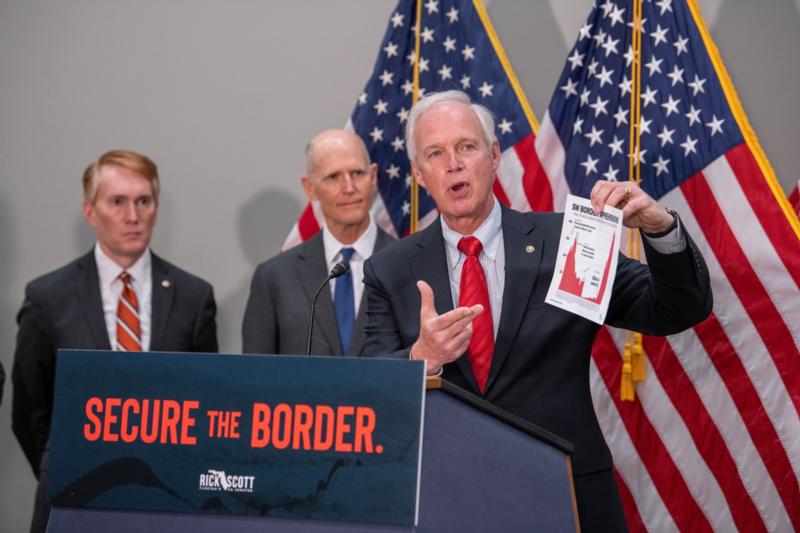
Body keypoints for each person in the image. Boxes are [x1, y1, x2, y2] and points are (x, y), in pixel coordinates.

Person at [362, 91, 712, 531]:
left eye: (466, 147)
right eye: (435, 153)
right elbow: (368, 389)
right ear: (419, 174)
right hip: (447, 499)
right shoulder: (390, 270)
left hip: (564, 491)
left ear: (492, 156)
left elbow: (677, 309)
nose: (452, 163)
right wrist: (421, 359)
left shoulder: (567, 240)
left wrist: (661, 230)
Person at [12, 149, 218, 533]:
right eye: (117, 202)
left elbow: (205, 403)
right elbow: (30, 409)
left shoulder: (194, 297)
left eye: (144, 201)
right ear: (90, 212)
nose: (133, 216)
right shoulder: (48, 297)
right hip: (71, 498)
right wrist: (62, 465)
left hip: (169, 501)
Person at [242, 129, 394, 356]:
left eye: (357, 173)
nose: (349, 188)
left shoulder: (408, 265)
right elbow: (253, 376)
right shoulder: (274, 278)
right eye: (334, 177)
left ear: (373, 177)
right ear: (310, 188)